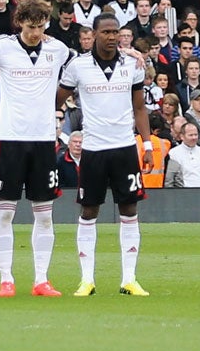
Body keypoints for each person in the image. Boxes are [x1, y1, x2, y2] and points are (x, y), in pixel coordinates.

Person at [0, 0, 76, 298]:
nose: (35, 32)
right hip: (11, 139)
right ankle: (6, 279)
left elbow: (84, 61)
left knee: (44, 214)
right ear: (19, 22)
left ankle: (41, 280)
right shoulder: (4, 47)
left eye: (41, 26)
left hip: (44, 140)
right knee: (5, 212)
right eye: (31, 26)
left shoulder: (58, 49)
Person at [59, 28, 151, 297]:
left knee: (129, 211)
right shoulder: (78, 66)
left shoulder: (132, 64)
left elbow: (139, 107)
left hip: (124, 148)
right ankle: (87, 280)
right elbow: (58, 98)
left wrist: (145, 144)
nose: (112, 37)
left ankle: (129, 279)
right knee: (89, 212)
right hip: (93, 149)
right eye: (106, 32)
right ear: (95, 34)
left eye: (116, 32)